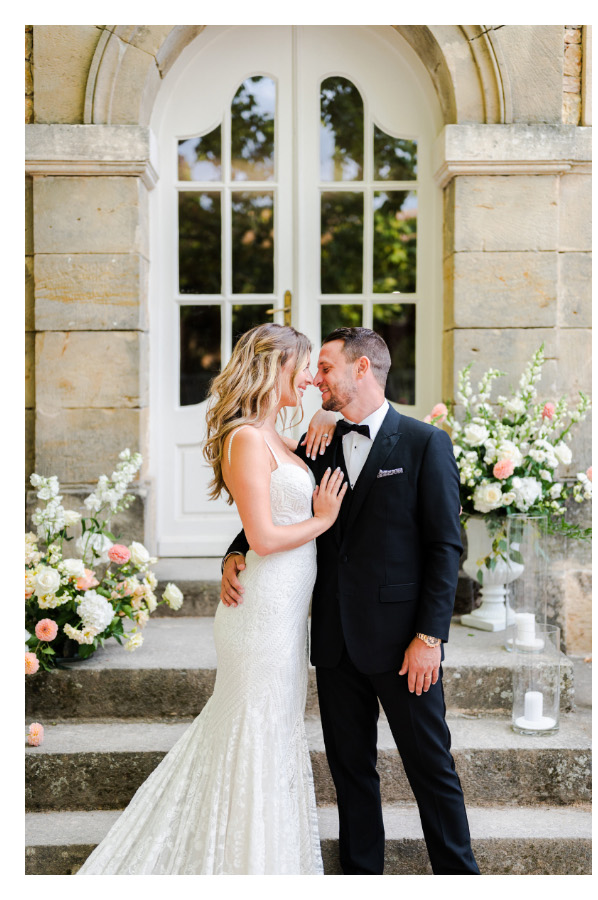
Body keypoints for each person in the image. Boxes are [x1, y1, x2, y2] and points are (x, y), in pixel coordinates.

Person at [78, 324, 347, 874]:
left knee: (271, 732)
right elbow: (266, 536)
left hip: (285, 615)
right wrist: (322, 520)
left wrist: (327, 414)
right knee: (252, 730)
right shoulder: (246, 437)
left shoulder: (277, 437)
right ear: (274, 367)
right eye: (304, 365)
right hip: (260, 615)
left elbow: (283, 501)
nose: (311, 378)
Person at [220, 327, 478, 874]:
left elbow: (445, 546)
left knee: (431, 768)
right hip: (335, 643)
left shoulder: (424, 443)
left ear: (363, 369)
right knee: (351, 773)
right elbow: (277, 504)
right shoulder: (319, 442)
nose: (315, 377)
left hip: (405, 645)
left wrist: (429, 637)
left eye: (328, 367)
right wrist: (236, 550)